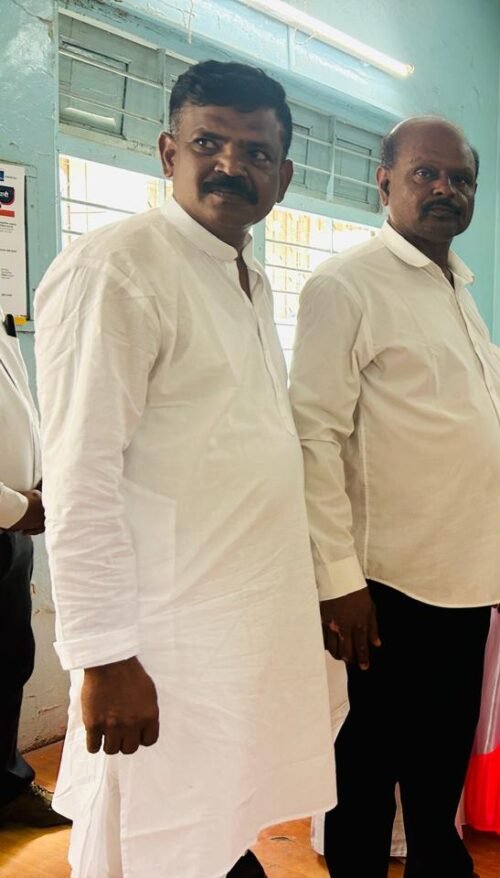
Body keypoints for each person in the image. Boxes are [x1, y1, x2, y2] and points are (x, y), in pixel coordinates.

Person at [35, 60, 334, 877]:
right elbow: (80, 477)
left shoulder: (245, 272)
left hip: (232, 630)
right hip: (160, 643)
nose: (231, 165)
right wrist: (103, 655)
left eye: (256, 152)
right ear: (169, 152)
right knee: (156, 840)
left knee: (216, 828)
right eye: (209, 143)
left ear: (283, 176)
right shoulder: (118, 268)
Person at [290, 115, 500, 878]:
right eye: (426, 173)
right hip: (383, 590)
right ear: (383, 181)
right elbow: (313, 438)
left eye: (461, 179)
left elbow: (473, 433)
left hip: (464, 581)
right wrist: (337, 581)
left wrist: (496, 558)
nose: (445, 188)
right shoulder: (346, 285)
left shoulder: (456, 286)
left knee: (440, 762)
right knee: (364, 773)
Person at [0, 311, 65, 830]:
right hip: (11, 514)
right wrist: (16, 506)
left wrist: (38, 477)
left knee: (9, 660)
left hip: (11, 529)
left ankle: (6, 787)